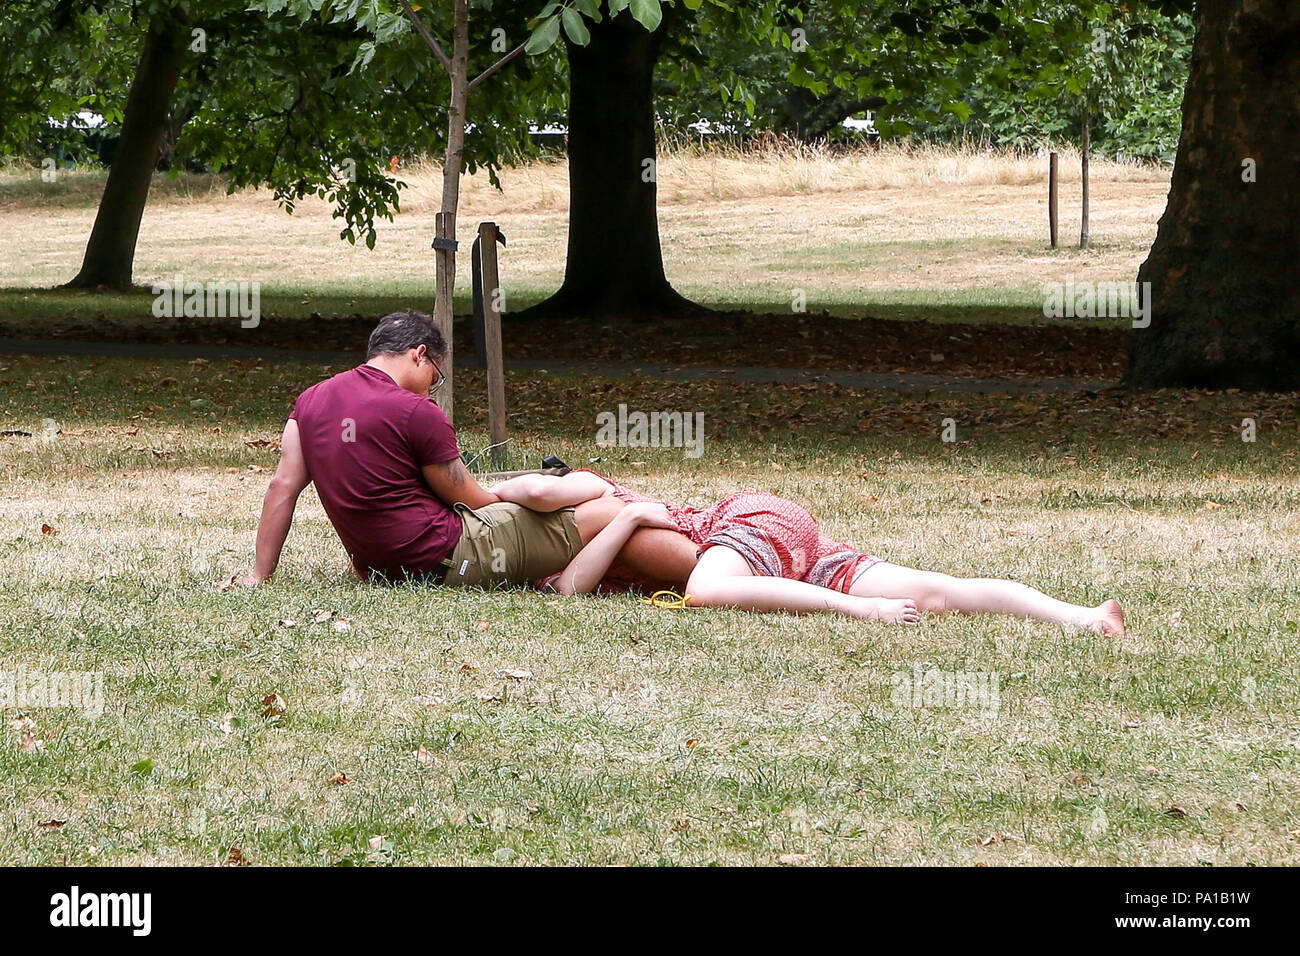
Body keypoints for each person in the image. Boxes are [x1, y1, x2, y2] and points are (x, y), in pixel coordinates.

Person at [233, 311, 692, 589]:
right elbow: (473, 501)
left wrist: (260, 574)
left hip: (379, 568)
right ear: (419, 354)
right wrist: (533, 488)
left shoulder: (310, 400)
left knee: (593, 512)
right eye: (437, 372)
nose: (434, 385)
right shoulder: (415, 411)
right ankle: (716, 568)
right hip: (444, 557)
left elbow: (283, 487)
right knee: (607, 511)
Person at [489, 470, 1126, 635]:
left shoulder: (590, 493)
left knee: (705, 593)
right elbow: (571, 588)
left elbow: (542, 490)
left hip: (748, 530)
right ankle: (1081, 616)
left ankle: (858, 614)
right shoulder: (617, 520)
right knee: (936, 591)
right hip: (781, 547)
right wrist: (628, 517)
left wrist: (483, 490)